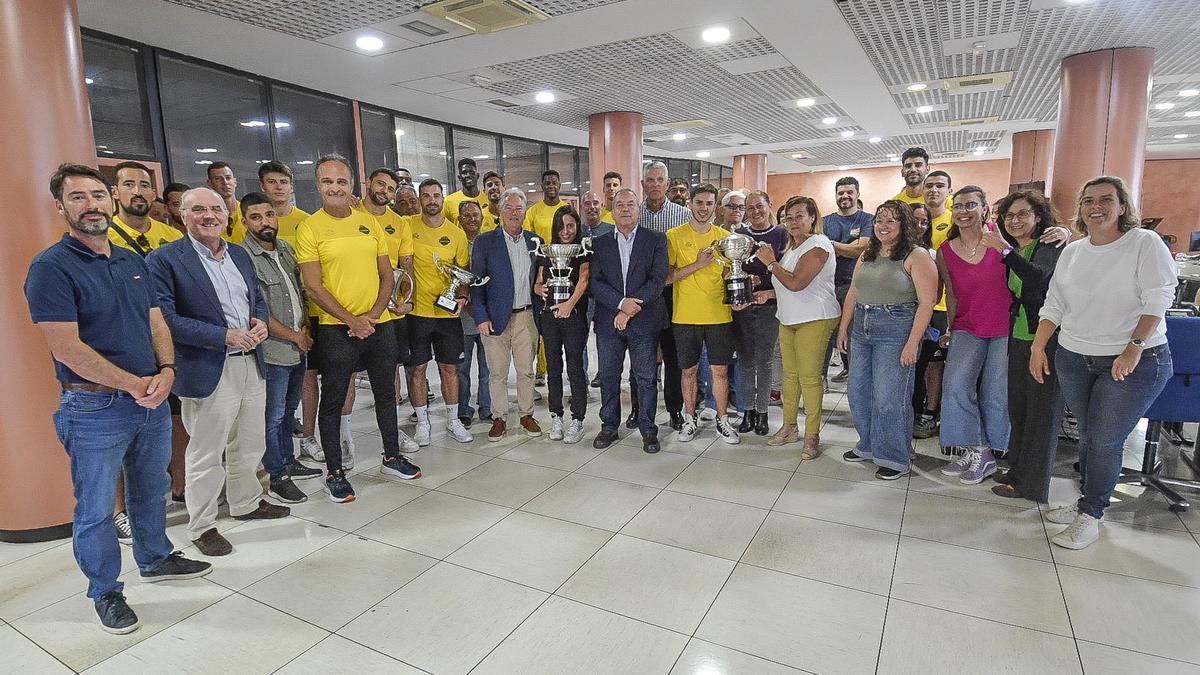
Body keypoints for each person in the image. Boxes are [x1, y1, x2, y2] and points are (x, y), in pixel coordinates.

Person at [25, 164, 211, 635]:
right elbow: (66, 348)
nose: (91, 205)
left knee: (151, 489)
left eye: (97, 195)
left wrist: (167, 371)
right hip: (93, 407)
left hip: (149, 398)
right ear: (61, 207)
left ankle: (154, 557)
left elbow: (156, 322)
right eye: (77, 197)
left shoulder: (129, 260)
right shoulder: (51, 267)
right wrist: (134, 384)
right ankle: (105, 591)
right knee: (96, 508)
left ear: (111, 201)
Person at [1033, 176, 1175, 550]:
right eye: (1088, 201)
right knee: (1088, 434)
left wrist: (1133, 348)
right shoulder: (1075, 251)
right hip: (1075, 357)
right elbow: (1055, 304)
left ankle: (1092, 513)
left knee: (1103, 440)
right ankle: (1086, 503)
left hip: (1132, 360)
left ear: (1122, 206)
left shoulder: (1144, 242)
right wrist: (1039, 346)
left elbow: (1158, 298)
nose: (1096, 207)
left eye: (1106, 200)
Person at [148, 187, 290, 557]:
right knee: (206, 452)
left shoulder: (239, 255)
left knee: (250, 440)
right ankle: (202, 524)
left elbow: (255, 298)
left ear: (227, 217)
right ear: (182, 215)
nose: (209, 216)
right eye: (198, 210)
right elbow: (165, 320)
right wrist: (224, 335)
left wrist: (259, 323)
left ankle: (245, 503)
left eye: (215, 209)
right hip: (209, 367)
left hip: (251, 363)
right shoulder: (165, 260)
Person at [296, 155, 421, 504]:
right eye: (327, 182)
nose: (334, 188)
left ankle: (392, 456)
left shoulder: (369, 223)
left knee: (386, 393)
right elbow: (314, 286)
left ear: (351, 184)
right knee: (333, 401)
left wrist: (374, 315)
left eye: (340, 181)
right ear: (319, 186)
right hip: (337, 329)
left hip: (378, 325)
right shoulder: (311, 227)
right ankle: (334, 472)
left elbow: (387, 274)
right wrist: (352, 320)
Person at [106, 161, 187, 536]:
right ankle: (120, 510)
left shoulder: (171, 236)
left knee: (176, 420)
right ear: (115, 193)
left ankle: (181, 486)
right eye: (128, 185)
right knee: (124, 432)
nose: (137, 191)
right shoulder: (102, 238)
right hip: (123, 349)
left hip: (170, 344)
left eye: (144, 184)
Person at [838, 200, 938, 479]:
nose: (883, 226)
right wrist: (844, 328)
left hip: (895, 330)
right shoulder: (868, 253)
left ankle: (895, 457)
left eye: (891, 221)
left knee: (889, 398)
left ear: (904, 224)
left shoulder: (916, 255)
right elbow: (853, 293)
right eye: (880, 220)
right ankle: (868, 445)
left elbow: (927, 302)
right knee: (859, 393)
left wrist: (912, 343)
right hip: (863, 328)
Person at [238, 191, 324, 506]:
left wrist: (305, 331)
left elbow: (301, 293)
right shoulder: (242, 257)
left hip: (297, 346)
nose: (265, 222)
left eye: (269, 215)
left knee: (289, 411)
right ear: (244, 220)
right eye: (256, 217)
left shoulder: (287, 250)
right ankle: (277, 476)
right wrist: (293, 335)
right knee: (272, 416)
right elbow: (255, 310)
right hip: (273, 350)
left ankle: (288, 461)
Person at [980, 190, 1064, 502]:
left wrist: (1003, 250)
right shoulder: (1019, 246)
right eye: (1009, 216)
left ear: (1038, 217)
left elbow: (1038, 279)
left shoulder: (1049, 244)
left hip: (1045, 339)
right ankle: (1017, 470)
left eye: (1022, 214)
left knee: (1041, 413)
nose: (1014, 221)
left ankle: (1032, 484)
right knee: (1020, 407)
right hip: (1019, 334)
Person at [935, 186, 1013, 485]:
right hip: (967, 326)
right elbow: (951, 295)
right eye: (958, 206)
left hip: (1004, 327)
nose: (964, 211)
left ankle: (988, 454)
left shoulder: (1001, 240)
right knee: (955, 385)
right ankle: (975, 447)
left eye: (971, 205)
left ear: (984, 209)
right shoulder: (945, 250)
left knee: (995, 392)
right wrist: (951, 329)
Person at [754, 196, 840, 455]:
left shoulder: (818, 245)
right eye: (788, 217)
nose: (793, 222)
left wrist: (770, 263)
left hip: (815, 317)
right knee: (789, 377)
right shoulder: (793, 248)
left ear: (813, 217)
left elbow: (796, 283)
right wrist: (767, 294)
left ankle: (812, 435)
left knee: (810, 378)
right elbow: (786, 286)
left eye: (799, 216)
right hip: (789, 317)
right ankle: (789, 426)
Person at [591, 187, 669, 453]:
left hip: (644, 320)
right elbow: (596, 283)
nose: (625, 208)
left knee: (646, 378)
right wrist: (620, 304)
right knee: (610, 376)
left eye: (631, 204)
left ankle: (648, 430)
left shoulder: (656, 239)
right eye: (620, 204)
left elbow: (657, 281)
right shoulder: (600, 243)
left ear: (639, 209)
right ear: (611, 211)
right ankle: (609, 426)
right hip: (608, 320)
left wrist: (629, 308)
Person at [666, 184, 740, 445]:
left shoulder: (725, 237)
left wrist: (742, 285)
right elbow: (667, 277)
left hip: (719, 315)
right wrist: (697, 264)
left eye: (709, 203)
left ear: (715, 207)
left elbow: (730, 276)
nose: (704, 208)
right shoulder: (674, 235)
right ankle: (689, 417)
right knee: (689, 372)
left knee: (720, 371)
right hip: (686, 315)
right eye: (699, 203)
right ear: (690, 204)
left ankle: (723, 420)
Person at [407, 178, 475, 445]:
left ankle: (453, 421)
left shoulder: (456, 233)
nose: (432, 200)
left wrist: (461, 296)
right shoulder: (407, 225)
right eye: (426, 196)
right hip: (417, 313)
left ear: (442, 198)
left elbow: (464, 275)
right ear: (420, 199)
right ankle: (423, 422)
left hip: (447, 315)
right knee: (417, 370)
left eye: (436, 195)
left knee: (450, 369)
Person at [472, 187, 543, 440]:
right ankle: (499, 417)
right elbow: (476, 282)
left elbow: (542, 278)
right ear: (500, 211)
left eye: (519, 208)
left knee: (526, 371)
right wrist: (481, 316)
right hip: (495, 318)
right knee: (497, 373)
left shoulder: (536, 242)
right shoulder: (485, 241)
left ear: (526, 212)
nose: (514, 212)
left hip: (527, 316)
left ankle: (526, 415)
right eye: (509, 208)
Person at [632, 161, 690, 430]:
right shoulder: (633, 214)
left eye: (659, 180)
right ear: (642, 184)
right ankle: (638, 409)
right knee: (639, 357)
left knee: (673, 357)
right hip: (640, 296)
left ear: (667, 184)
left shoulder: (683, 215)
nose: (655, 184)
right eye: (650, 180)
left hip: (671, 295)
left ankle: (675, 409)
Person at [734, 190, 789, 435]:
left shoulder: (782, 235)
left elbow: (787, 271)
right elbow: (731, 270)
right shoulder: (738, 235)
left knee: (764, 360)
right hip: (743, 306)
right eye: (751, 207)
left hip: (770, 305)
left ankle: (763, 412)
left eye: (760, 206)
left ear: (769, 206)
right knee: (745, 360)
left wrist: (764, 282)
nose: (756, 212)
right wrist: (746, 281)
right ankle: (747, 410)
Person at [534, 205, 590, 443]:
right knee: (553, 368)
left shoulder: (583, 250)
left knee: (575, 368)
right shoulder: (546, 251)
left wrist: (569, 304)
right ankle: (556, 416)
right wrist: (539, 289)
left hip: (575, 315)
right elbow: (538, 282)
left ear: (577, 227)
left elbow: (584, 278)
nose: (566, 231)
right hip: (549, 315)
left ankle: (577, 419)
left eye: (570, 226)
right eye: (561, 226)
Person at [911, 171, 954, 438]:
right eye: (930, 186)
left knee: (934, 364)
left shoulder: (951, 227)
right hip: (908, 312)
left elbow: (944, 288)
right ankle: (914, 411)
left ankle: (930, 413)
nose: (919, 226)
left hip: (938, 312)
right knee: (914, 366)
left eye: (940, 186)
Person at [821, 177, 873, 383]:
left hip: (856, 287)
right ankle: (820, 380)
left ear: (857, 194)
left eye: (849, 192)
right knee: (824, 338)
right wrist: (848, 247)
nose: (845, 196)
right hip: (827, 287)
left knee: (853, 338)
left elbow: (862, 249)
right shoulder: (826, 221)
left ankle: (855, 383)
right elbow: (820, 253)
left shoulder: (867, 219)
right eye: (841, 192)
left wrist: (831, 244)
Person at [457, 201, 491, 425]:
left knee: (487, 368)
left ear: (482, 217)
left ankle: (487, 408)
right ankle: (463, 410)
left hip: (486, 317)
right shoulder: (455, 242)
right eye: (466, 216)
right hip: (461, 318)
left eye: (475, 215)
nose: (472, 219)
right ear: (459, 219)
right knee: (462, 369)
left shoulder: (490, 242)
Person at [258, 160, 310, 247]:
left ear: (291, 187)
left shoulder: (307, 222)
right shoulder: (255, 223)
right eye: (271, 182)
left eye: (283, 182)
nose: (279, 187)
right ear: (262, 186)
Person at [206, 161, 244, 243]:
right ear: (210, 183)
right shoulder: (206, 218)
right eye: (218, 179)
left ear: (235, 182)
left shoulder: (247, 212)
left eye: (228, 177)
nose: (225, 182)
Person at [444, 157, 489, 226]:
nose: (468, 175)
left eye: (471, 172)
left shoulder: (488, 199)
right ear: (459, 178)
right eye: (464, 173)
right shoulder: (449, 201)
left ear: (477, 176)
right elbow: (445, 227)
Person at [523, 169, 565, 242]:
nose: (551, 186)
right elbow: (528, 237)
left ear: (559, 186)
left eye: (554, 183)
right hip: (540, 252)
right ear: (542, 186)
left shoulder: (567, 209)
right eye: (547, 183)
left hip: (564, 252)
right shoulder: (532, 211)